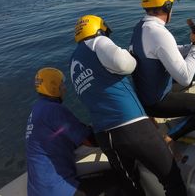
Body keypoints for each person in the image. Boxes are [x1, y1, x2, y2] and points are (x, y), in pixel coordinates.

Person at [70, 15, 186, 196]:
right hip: (132, 126)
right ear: (100, 30)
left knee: (130, 184)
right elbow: (126, 64)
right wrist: (130, 56)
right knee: (171, 178)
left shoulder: (73, 61)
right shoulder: (98, 42)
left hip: (104, 136)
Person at [130, 0, 195, 145]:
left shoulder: (141, 28)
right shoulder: (159, 33)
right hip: (156, 102)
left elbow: (166, 50)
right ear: (167, 5)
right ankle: (170, 137)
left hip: (145, 94)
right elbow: (184, 78)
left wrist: (192, 45)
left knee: (188, 81)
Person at [26, 67, 120, 196]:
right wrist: (115, 134)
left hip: (37, 189)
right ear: (54, 87)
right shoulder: (54, 110)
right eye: (62, 85)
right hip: (56, 188)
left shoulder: (37, 109)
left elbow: (60, 138)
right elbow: (88, 140)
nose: (64, 88)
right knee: (117, 179)